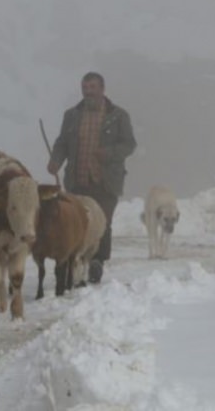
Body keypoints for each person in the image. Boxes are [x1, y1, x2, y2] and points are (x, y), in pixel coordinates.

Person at [47, 72, 137, 283]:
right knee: (74, 222)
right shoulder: (71, 115)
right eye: (85, 87)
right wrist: (55, 160)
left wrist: (109, 153)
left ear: (102, 89)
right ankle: (73, 260)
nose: (88, 92)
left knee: (103, 222)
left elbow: (129, 144)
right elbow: (62, 143)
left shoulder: (118, 116)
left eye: (92, 87)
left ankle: (97, 261)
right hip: (77, 180)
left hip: (106, 181)